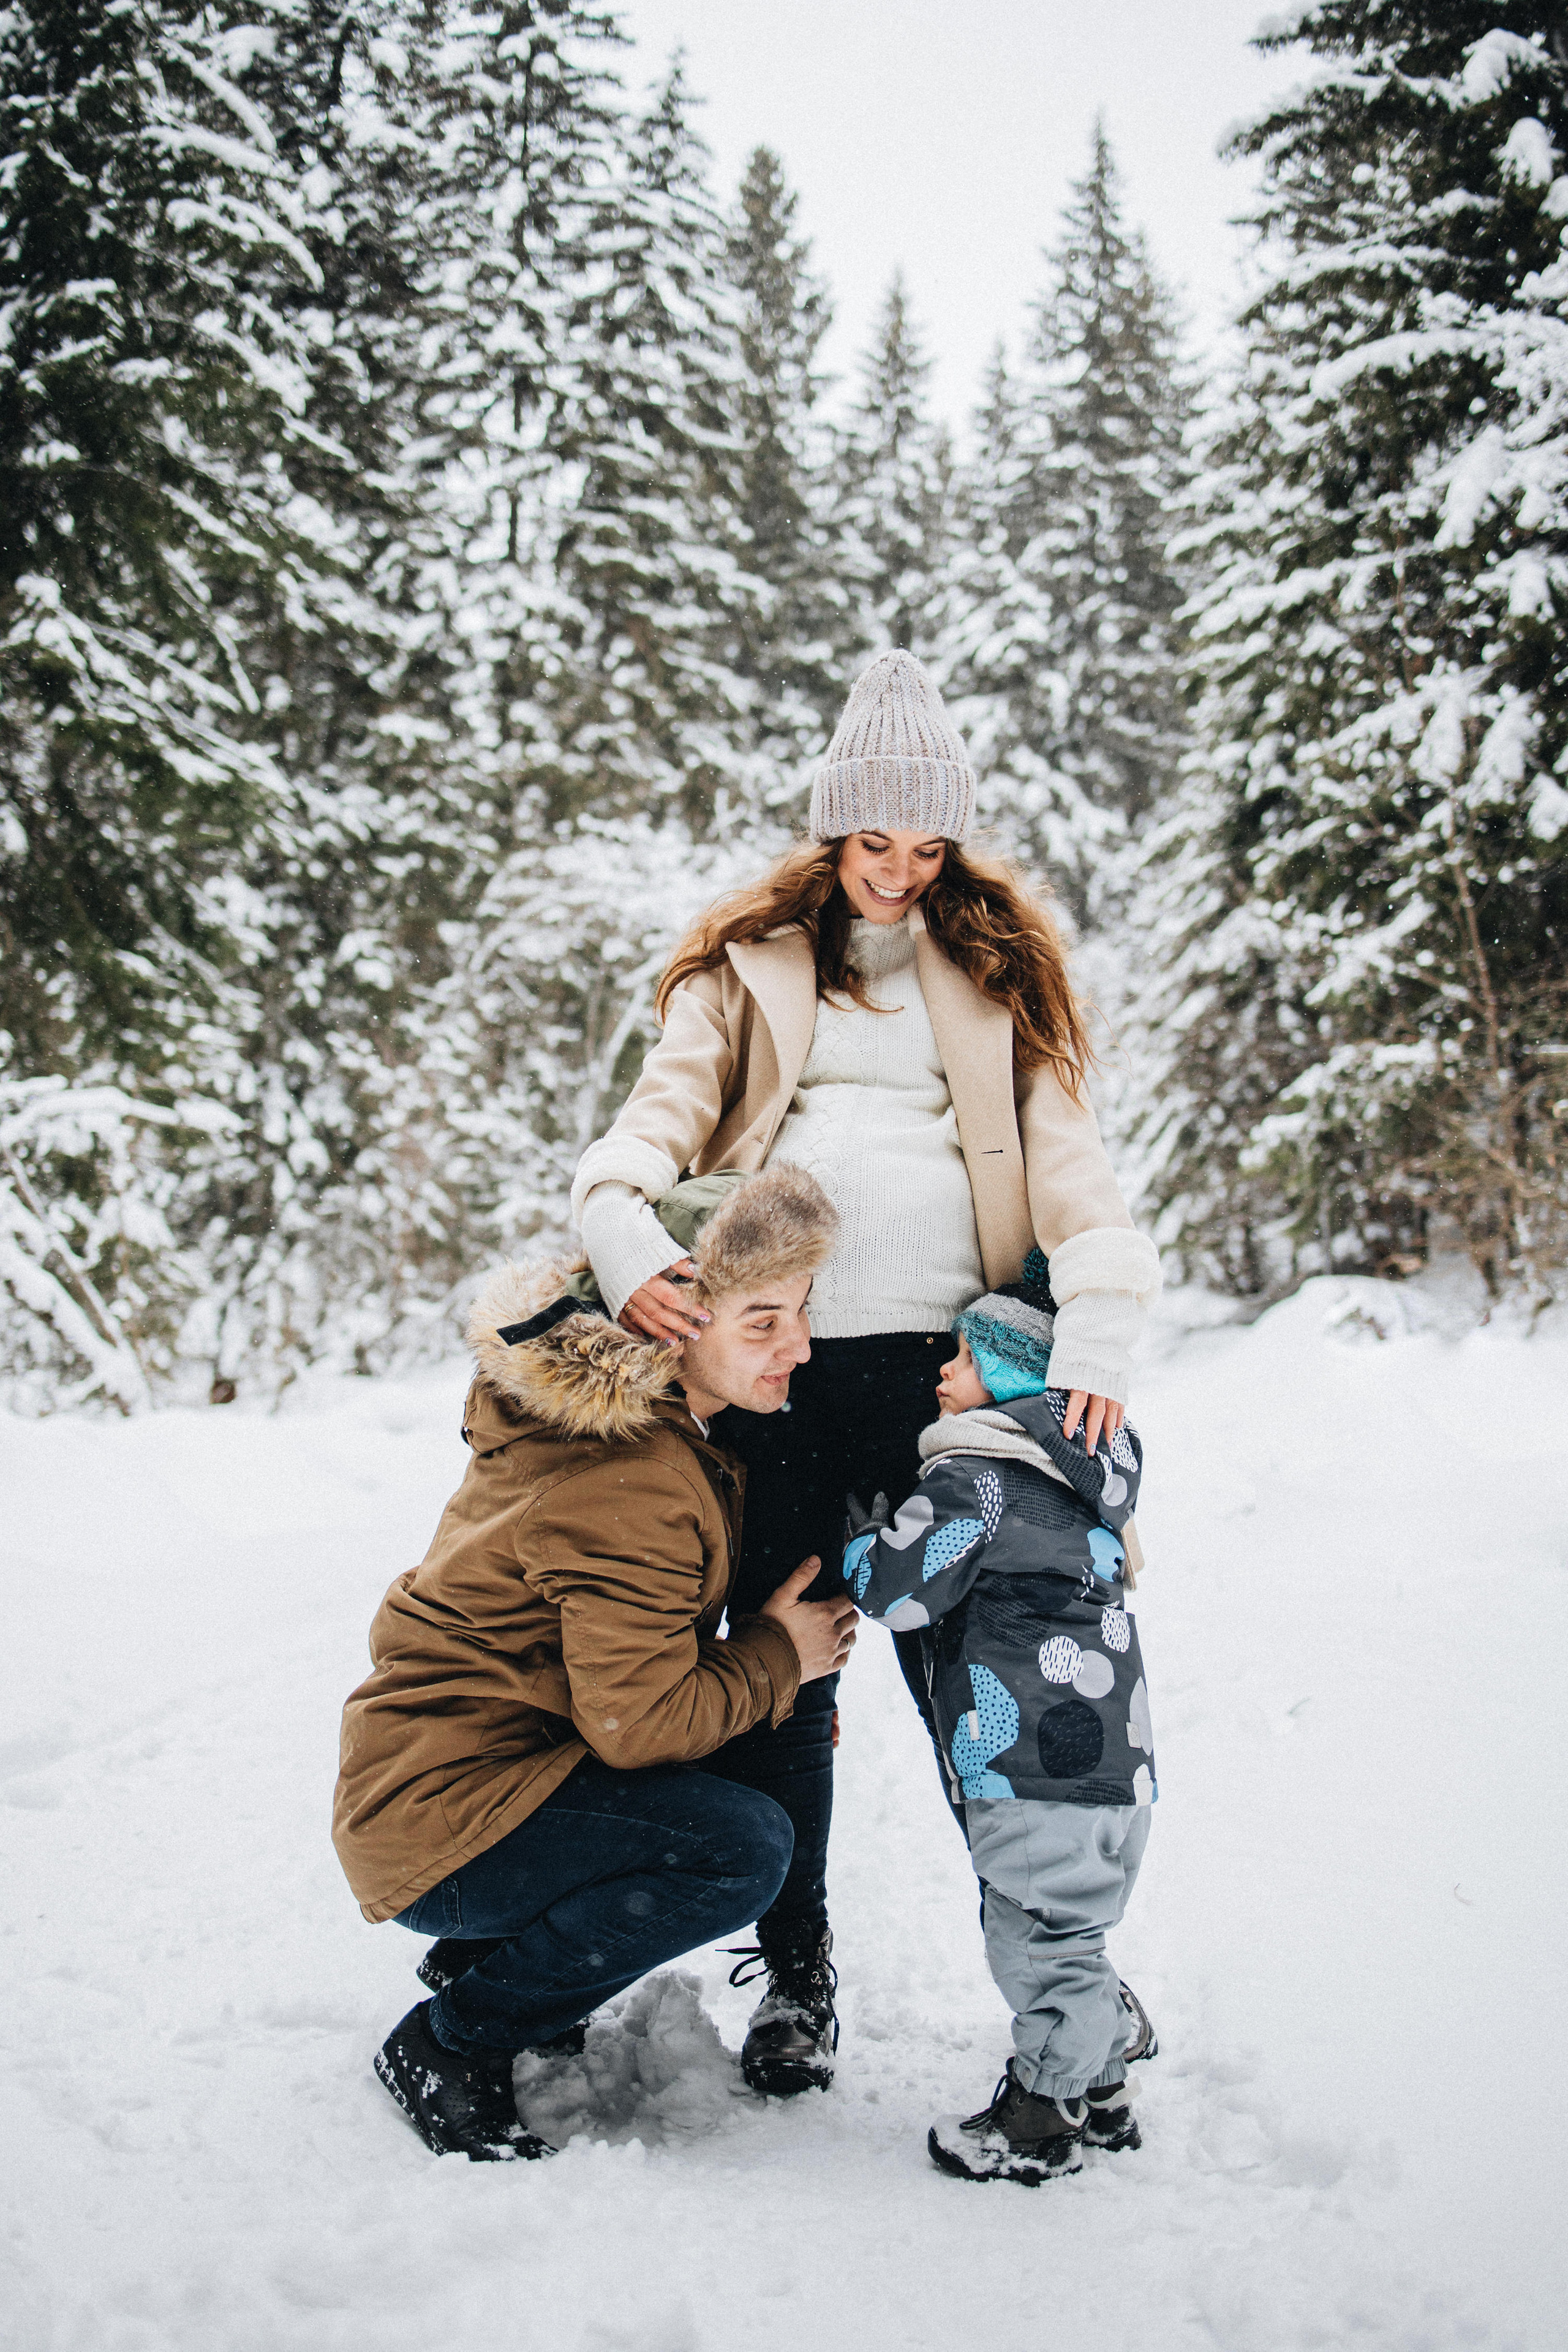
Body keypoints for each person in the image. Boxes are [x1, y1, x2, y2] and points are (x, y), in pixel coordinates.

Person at [570, 648, 1161, 2092]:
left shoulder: (995, 979)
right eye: (871, 840)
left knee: (986, 1696)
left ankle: (1064, 1987)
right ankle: (796, 1976)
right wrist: (618, 1228)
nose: (898, 871)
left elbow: (1075, 1180)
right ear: (830, 831)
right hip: (772, 1378)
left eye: (926, 843)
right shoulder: (740, 978)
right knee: (787, 1671)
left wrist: (1093, 1325)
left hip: (939, 1388)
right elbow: (639, 1141)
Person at [331, 1165, 856, 2161]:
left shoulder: (624, 1421)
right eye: (763, 1322)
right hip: (443, 1822)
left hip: (444, 1779)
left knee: (716, 1788)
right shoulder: (632, 1474)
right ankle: (452, 2041)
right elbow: (640, 1725)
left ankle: (490, 1956)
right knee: (739, 1848)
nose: (800, 1346)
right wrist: (777, 1656)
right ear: (673, 1322)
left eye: (802, 1312)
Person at [842, 1254, 1157, 2185]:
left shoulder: (977, 1479)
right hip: (1117, 1770)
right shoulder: (1080, 1488)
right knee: (1068, 1932)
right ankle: (1101, 2085)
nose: (942, 1373)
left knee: (1033, 1940)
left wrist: (864, 1529)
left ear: (1012, 1379)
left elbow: (897, 1596)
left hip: (1027, 1760)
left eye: (964, 1359)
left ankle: (1041, 2115)